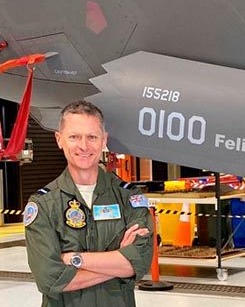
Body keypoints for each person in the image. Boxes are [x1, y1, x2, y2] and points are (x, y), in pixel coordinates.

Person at [25, 100, 154, 306]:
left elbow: (140, 261)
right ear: (59, 140)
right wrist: (118, 261)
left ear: (104, 140)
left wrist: (74, 259)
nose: (83, 146)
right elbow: (50, 279)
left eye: (92, 137)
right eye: (74, 137)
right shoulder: (43, 205)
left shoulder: (129, 198)